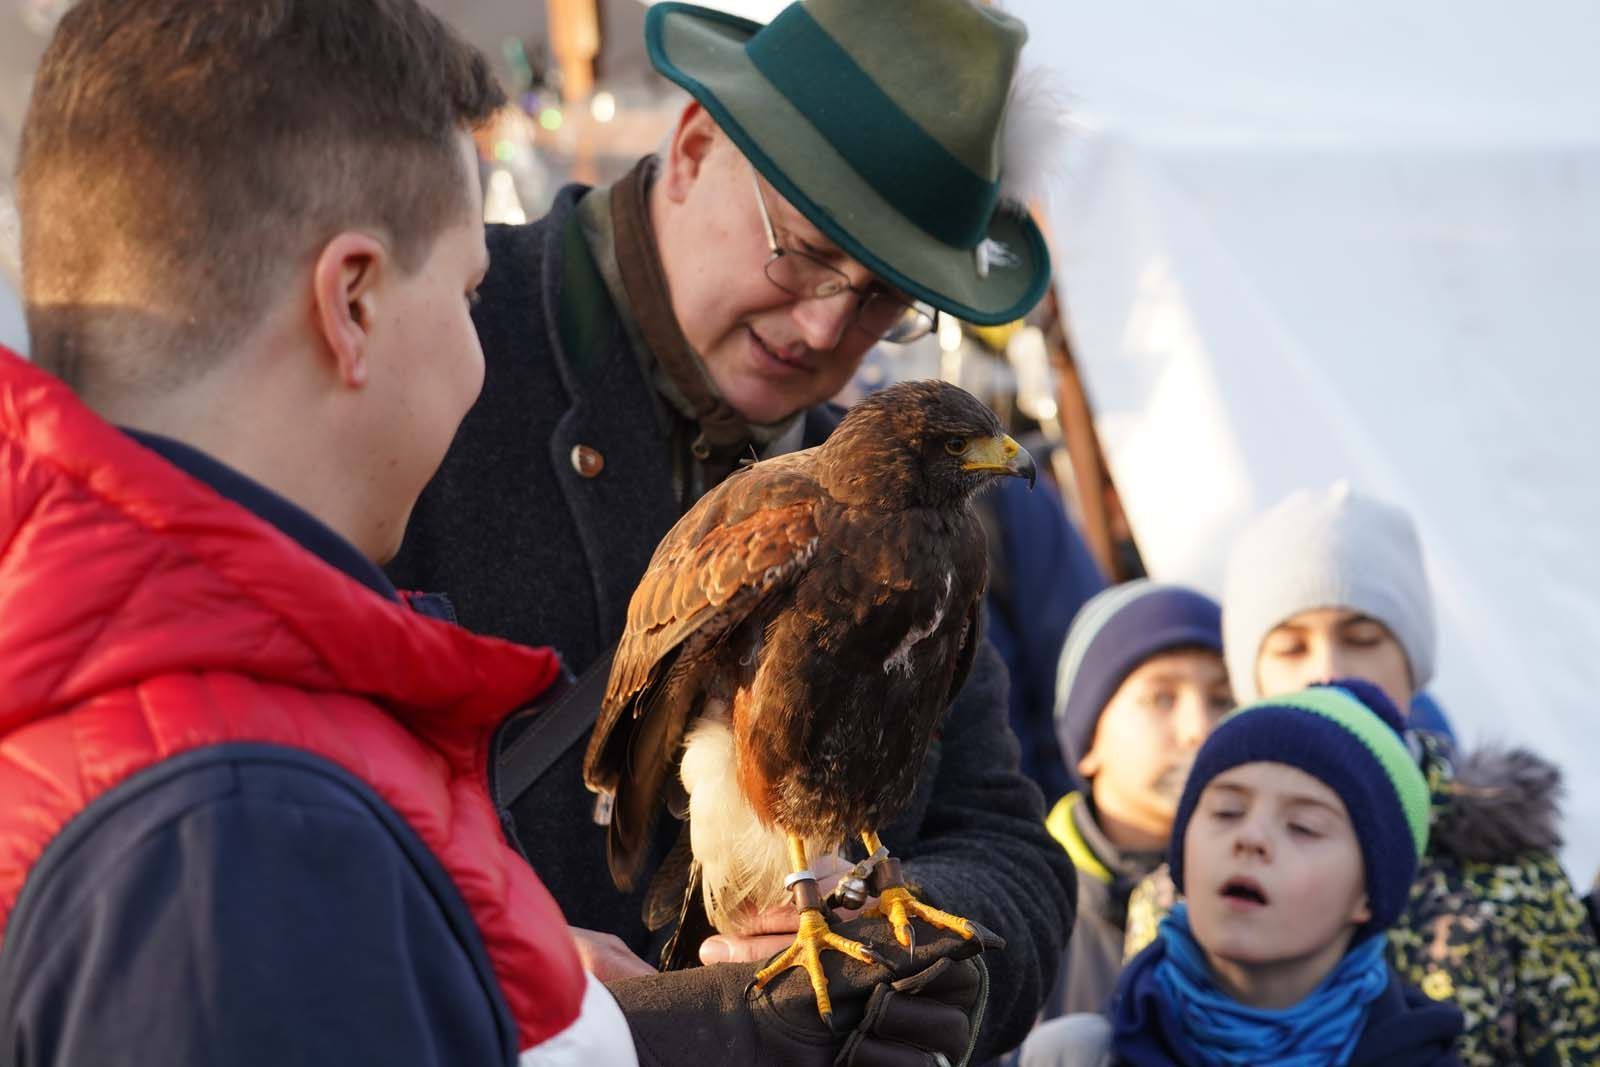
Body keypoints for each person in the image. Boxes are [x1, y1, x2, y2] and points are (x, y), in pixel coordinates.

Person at [0, 4, 994, 1065]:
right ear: (353, 303)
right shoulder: (230, 819)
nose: (823, 328)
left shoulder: (238, 699)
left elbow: (994, 812)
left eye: (883, 301)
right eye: (473, 293)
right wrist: (655, 1036)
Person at [386, 0, 1075, 1058]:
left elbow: (1004, 839)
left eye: (882, 300)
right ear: (695, 145)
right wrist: (474, 942)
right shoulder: (443, 343)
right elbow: (258, 764)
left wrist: (929, 944)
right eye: (799, 254)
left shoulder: (911, 498)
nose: (823, 328)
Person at [0, 0, 632, 1062]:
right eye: (472, 293)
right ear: (353, 302)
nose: (480, 358)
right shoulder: (244, 841)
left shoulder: (145, 720)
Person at [1126, 483, 1600, 1065]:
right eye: (1291, 648)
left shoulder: (1513, 879)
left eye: (1363, 639)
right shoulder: (1179, 893)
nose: (1328, 669)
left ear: (1413, 660)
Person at [1105, 681, 1464, 1065]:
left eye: (1303, 826)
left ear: (1369, 895)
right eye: (1227, 811)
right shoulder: (1078, 1055)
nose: (1250, 837)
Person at [1014, 582, 1229, 1055]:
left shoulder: (1273, 897)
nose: (1200, 730)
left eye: (1223, 699)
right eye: (1161, 698)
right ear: (1089, 741)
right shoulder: (1012, 913)